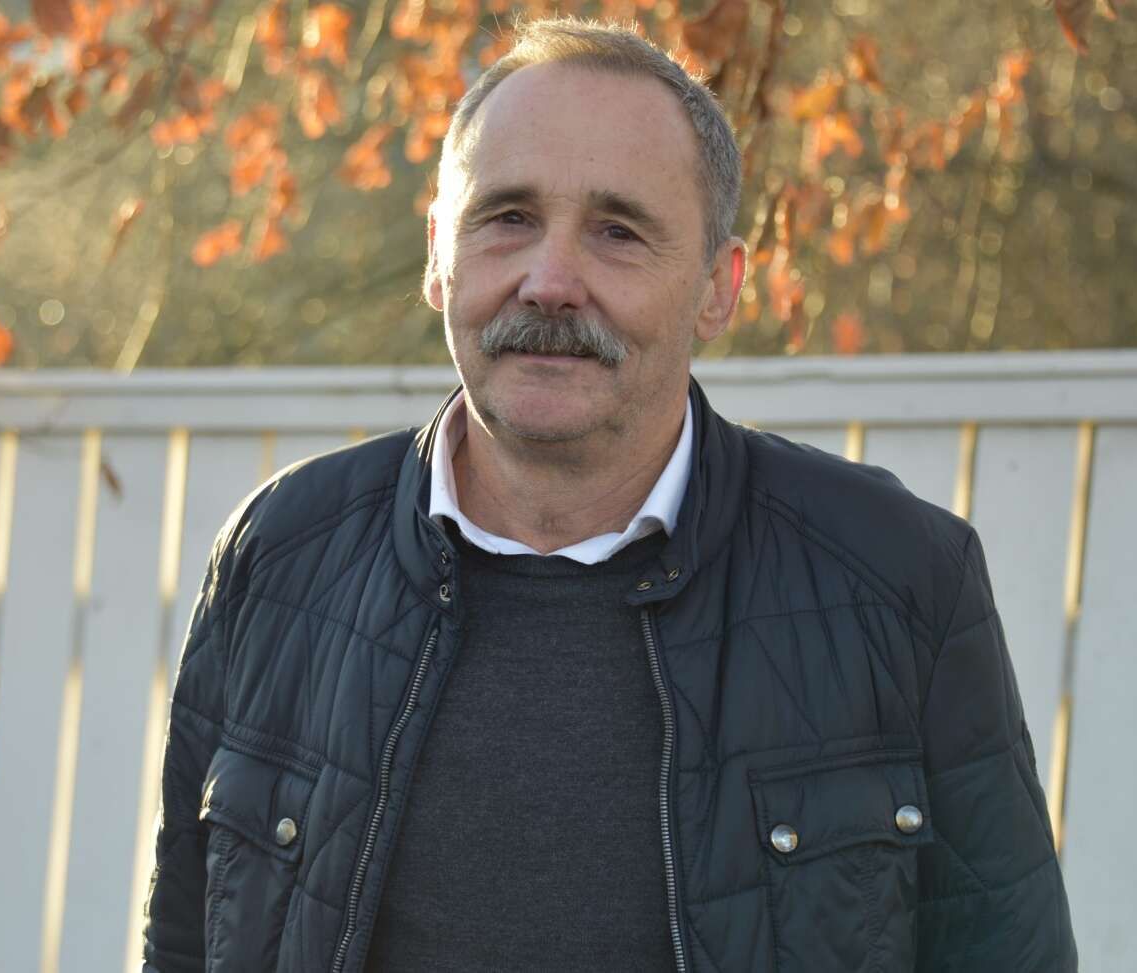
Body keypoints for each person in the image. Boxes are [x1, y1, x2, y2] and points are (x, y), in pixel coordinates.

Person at [142, 17, 1076, 973]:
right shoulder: (278, 559)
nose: (550, 282)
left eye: (618, 231)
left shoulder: (898, 579)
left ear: (718, 288)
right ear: (437, 254)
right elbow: (182, 944)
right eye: (508, 217)